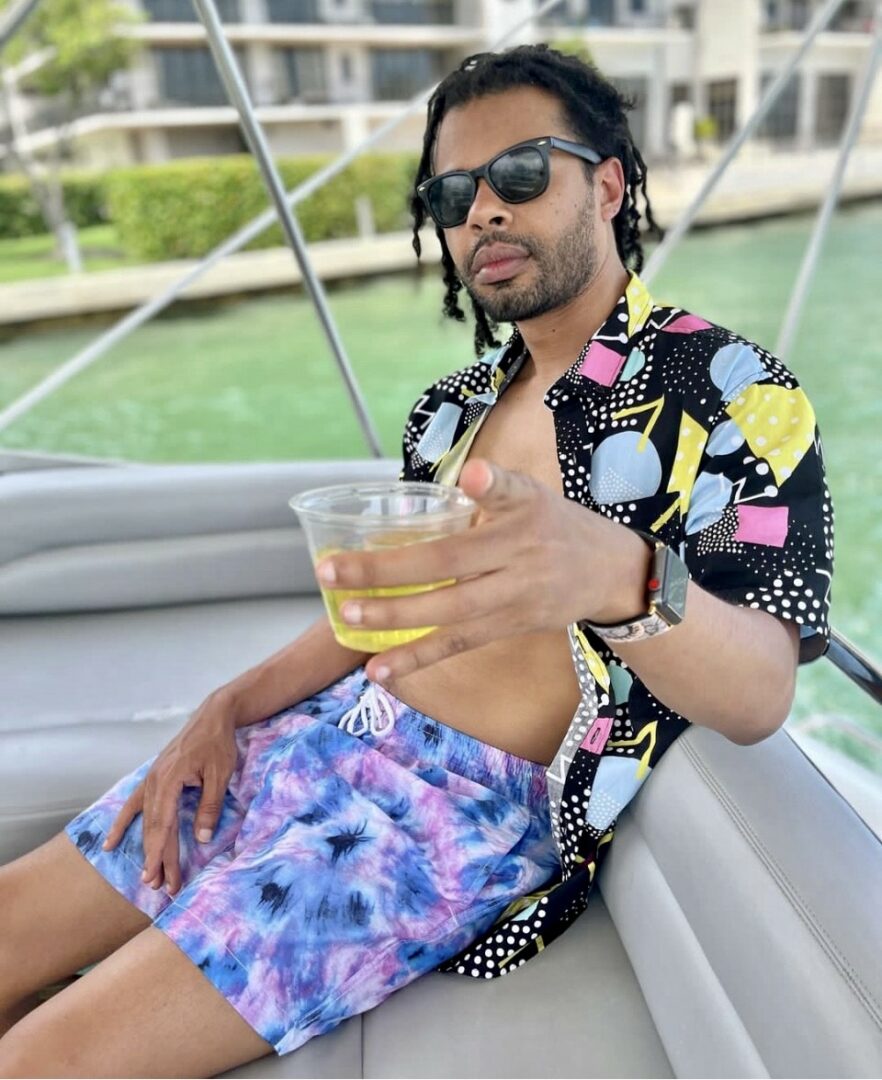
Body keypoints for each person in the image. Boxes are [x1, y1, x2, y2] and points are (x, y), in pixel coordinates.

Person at [0, 44, 833, 1077]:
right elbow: (377, 617)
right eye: (452, 193)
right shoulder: (454, 409)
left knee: (38, 1061)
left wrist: (622, 577)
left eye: (519, 173)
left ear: (609, 185)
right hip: (325, 736)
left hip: (449, 821)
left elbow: (759, 691)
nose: (481, 211)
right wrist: (226, 709)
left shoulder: (732, 389)